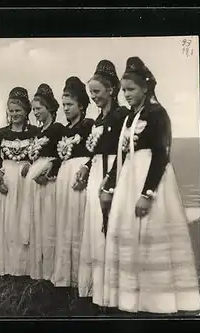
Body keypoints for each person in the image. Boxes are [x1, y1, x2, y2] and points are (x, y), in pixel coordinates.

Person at [99, 56, 200, 314]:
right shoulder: (130, 117)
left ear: (146, 87)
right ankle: (133, 299)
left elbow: (161, 154)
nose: (126, 94)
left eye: (131, 89)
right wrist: (109, 185)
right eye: (124, 90)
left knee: (150, 236)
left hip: (150, 180)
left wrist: (147, 193)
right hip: (128, 179)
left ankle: (158, 300)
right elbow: (121, 155)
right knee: (131, 238)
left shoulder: (158, 114)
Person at [77, 60, 129, 309]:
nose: (94, 97)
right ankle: (98, 291)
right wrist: (87, 167)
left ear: (111, 89)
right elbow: (93, 150)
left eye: (97, 92)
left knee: (111, 225)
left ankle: (115, 291)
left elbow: (125, 151)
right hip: (97, 170)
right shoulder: (98, 119)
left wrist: (111, 177)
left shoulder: (122, 116)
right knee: (96, 225)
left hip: (113, 172)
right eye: (91, 93)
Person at [0, 87, 40, 276]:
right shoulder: (1, 133)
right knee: (8, 219)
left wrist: (31, 163)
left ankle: (25, 267)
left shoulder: (34, 132)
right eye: (11, 111)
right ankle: (7, 266)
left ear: (27, 111)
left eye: (18, 110)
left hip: (26, 179)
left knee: (24, 218)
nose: (14, 114)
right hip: (7, 178)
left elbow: (41, 153)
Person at [51, 77, 94, 289]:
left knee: (79, 224)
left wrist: (86, 169)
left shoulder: (89, 126)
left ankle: (82, 279)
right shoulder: (64, 130)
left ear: (82, 106)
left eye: (70, 105)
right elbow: (59, 157)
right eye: (64, 105)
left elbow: (96, 154)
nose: (65, 109)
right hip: (63, 179)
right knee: (65, 224)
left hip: (79, 177)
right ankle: (65, 277)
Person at [19, 83, 65, 281]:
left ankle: (51, 270)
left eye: (39, 109)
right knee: (36, 221)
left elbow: (61, 156)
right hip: (35, 182)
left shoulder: (57, 129)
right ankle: (38, 270)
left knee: (49, 222)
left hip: (48, 183)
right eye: (34, 109)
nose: (36, 113)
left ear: (50, 109)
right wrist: (30, 164)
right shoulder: (37, 133)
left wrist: (47, 171)